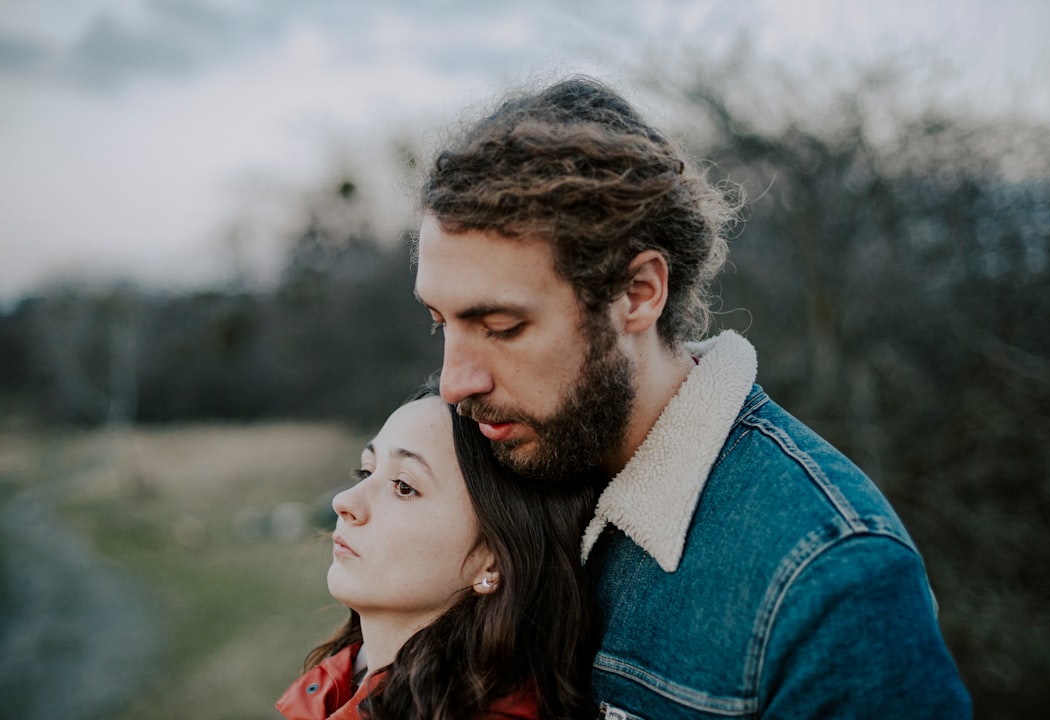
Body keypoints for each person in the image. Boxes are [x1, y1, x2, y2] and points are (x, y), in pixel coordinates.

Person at [413, 76, 973, 719]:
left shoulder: (831, 581)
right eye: (441, 322)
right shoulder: (490, 483)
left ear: (639, 293)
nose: (455, 381)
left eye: (503, 328)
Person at [276, 390, 598, 720]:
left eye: (403, 486)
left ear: (492, 561)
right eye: (366, 472)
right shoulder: (337, 685)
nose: (344, 501)